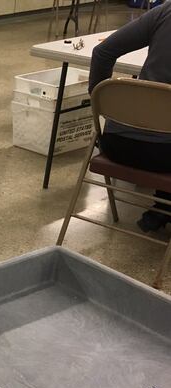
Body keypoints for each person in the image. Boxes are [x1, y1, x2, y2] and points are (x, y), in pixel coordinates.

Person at [89, 2, 171, 232]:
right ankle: (163, 208)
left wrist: (100, 104)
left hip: (116, 144)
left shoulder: (166, 11)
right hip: (166, 156)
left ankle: (162, 208)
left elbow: (102, 52)